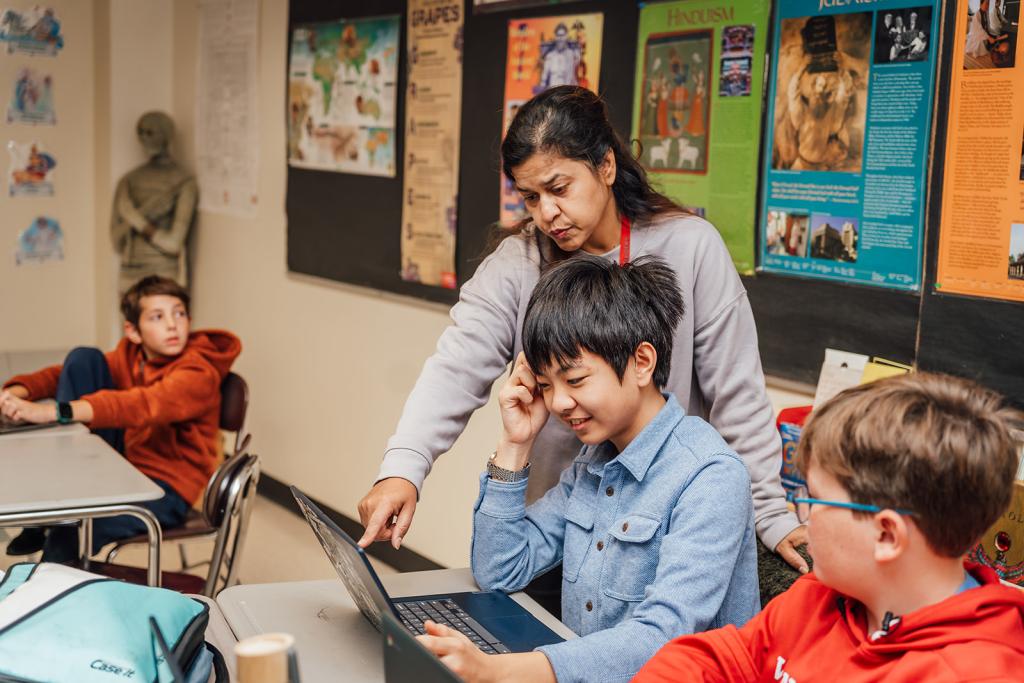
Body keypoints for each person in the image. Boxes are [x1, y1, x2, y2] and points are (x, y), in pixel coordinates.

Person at [358, 85, 806, 575]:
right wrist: (403, 469)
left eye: (559, 188)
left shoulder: (690, 247)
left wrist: (769, 512)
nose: (546, 213)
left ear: (606, 166)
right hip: (558, 528)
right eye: (531, 197)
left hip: (662, 531)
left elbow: (737, 395)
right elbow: (454, 370)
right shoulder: (517, 264)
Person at [417, 256, 759, 683]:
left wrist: (499, 671)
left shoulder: (710, 476)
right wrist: (516, 443)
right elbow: (499, 571)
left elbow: (663, 639)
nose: (558, 403)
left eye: (575, 380)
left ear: (641, 362)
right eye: (545, 385)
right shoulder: (594, 462)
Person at [633, 373, 1024, 682]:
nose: (803, 516)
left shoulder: (976, 671)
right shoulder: (819, 595)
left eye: (815, 500)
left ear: (887, 535)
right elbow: (724, 658)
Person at [0, 275, 241, 562]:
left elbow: (140, 405)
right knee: (84, 358)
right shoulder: (132, 355)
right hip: (125, 467)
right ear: (133, 331)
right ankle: (59, 500)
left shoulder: (198, 372)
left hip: (167, 489)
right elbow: (59, 375)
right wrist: (12, 394)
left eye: (179, 314)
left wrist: (53, 412)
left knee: (73, 531)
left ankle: (51, 560)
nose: (172, 325)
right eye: (157, 317)